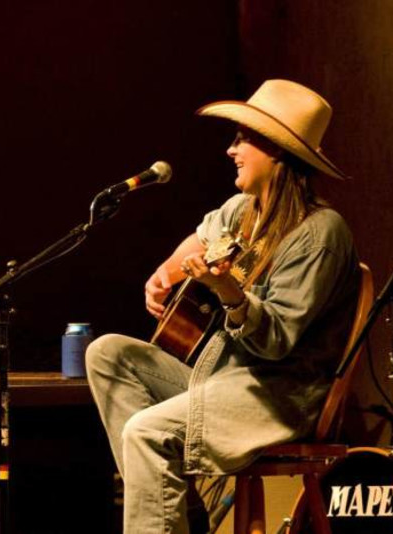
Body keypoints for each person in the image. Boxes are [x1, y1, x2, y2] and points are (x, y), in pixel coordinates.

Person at [85, 79, 360, 533]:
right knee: (108, 353)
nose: (231, 150)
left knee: (146, 432)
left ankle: (164, 505)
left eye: (242, 140)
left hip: (276, 397)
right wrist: (165, 273)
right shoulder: (242, 210)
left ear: (275, 151)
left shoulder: (320, 234)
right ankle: (177, 507)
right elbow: (201, 235)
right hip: (223, 380)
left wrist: (229, 291)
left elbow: (275, 343)